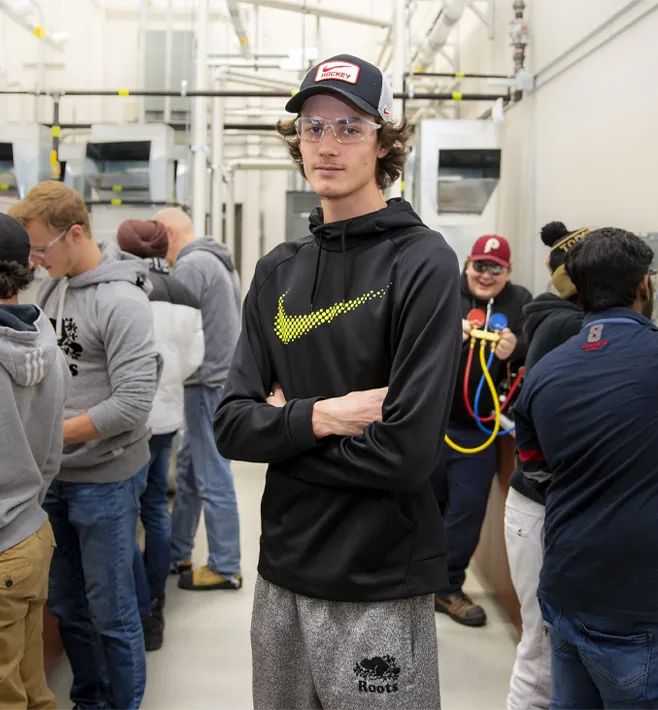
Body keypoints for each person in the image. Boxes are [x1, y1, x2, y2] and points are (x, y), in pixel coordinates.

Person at [213, 53, 461, 709]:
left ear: (383, 141)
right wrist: (323, 416)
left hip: (378, 578)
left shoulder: (422, 261)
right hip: (282, 575)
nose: (326, 144)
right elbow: (231, 424)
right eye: (313, 127)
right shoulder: (277, 269)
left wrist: (285, 431)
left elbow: (407, 455)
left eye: (349, 127)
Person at [514, 227, 658, 708]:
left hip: (564, 592)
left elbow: (536, 471)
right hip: (641, 607)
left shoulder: (543, 373)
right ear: (645, 285)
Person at [9, 182, 161, 710]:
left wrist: (48, 434)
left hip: (107, 480)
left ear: (76, 233)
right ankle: (89, 701)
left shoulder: (123, 301)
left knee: (112, 612)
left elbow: (132, 405)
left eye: (40, 249)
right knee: (70, 607)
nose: (34, 262)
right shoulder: (52, 289)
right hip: (55, 481)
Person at [504, 221, 589, 710]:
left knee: (547, 651)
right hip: (541, 507)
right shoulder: (566, 326)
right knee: (540, 656)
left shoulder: (554, 318)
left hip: (543, 507)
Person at [431, 234, 531, 627]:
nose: (485, 276)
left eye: (496, 269)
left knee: (466, 513)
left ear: (507, 273)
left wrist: (515, 347)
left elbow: (534, 345)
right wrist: (445, 336)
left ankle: (448, 587)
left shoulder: (520, 301)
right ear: (467, 266)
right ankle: (414, 584)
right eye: (479, 266)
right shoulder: (443, 293)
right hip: (434, 426)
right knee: (422, 507)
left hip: (480, 430)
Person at [117, 219, 205, 649]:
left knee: (124, 514)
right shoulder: (185, 294)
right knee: (154, 507)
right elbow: (194, 359)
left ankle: (137, 607)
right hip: (168, 415)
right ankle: (155, 602)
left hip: (128, 422)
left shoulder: (124, 293)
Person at [152, 207, 242, 591]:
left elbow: (174, 334)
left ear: (170, 234)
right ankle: (178, 551)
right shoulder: (216, 259)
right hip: (216, 380)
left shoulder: (190, 267)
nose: (158, 249)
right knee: (190, 469)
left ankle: (225, 565)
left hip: (205, 383)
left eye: (158, 239)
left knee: (212, 474)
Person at [0, 213, 69, 710]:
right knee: (33, 689)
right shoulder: (45, 336)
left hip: (1, 547)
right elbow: (49, 453)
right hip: (32, 534)